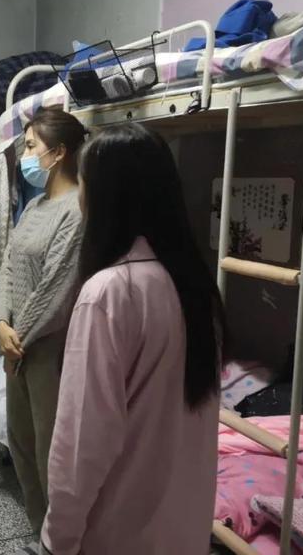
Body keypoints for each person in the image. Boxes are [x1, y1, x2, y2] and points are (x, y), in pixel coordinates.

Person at [40, 124, 224, 555]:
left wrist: (57, 540)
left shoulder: (109, 293)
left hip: (121, 531)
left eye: (83, 183)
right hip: (184, 529)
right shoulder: (195, 286)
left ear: (106, 197)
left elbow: (82, 445)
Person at [0, 106, 86, 534]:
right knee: (22, 444)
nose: (25, 156)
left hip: (47, 349)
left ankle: (59, 539)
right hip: (14, 345)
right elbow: (9, 268)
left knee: (51, 452)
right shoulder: (33, 207)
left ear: (59, 152)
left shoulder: (77, 210)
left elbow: (56, 288)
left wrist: (17, 339)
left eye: (31, 147)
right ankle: (38, 530)